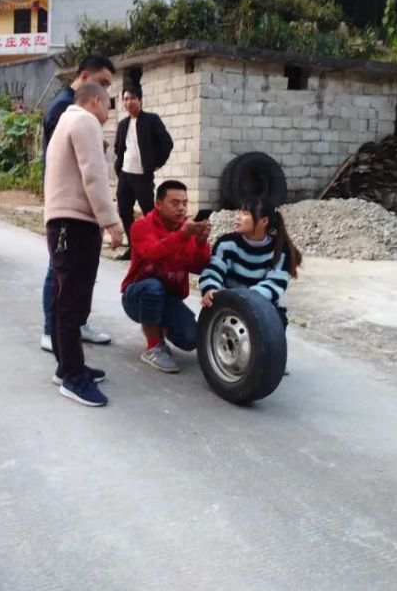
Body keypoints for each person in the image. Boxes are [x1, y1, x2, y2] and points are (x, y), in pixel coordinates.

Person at [45, 81, 124, 406]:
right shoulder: (85, 121)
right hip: (75, 223)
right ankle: (73, 379)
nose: (109, 113)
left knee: (66, 299)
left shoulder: (66, 120)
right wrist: (112, 221)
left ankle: (67, 367)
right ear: (95, 101)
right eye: (109, 104)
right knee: (73, 304)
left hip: (64, 222)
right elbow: (94, 176)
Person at [39, 54, 117, 353]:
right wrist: (109, 221)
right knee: (61, 281)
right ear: (85, 78)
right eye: (104, 84)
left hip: (69, 210)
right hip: (68, 212)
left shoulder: (69, 110)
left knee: (69, 284)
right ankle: (55, 335)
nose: (107, 93)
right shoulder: (70, 112)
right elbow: (89, 173)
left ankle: (69, 335)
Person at [120, 180, 211, 374]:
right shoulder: (141, 226)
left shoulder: (188, 228)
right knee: (153, 287)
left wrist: (202, 242)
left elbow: (199, 267)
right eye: (175, 202)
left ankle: (158, 326)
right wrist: (182, 236)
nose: (181, 208)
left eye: (185, 203)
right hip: (136, 296)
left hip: (169, 298)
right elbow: (153, 253)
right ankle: (154, 346)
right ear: (158, 204)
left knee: (191, 339)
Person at [198, 197, 302, 330]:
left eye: (245, 214)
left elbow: (273, 285)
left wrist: (245, 301)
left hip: (264, 307)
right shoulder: (226, 243)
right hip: (230, 306)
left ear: (263, 221)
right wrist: (210, 288)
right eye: (239, 212)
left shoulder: (280, 250)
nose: (238, 217)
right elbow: (213, 271)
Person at [113, 84, 174, 260]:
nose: (128, 102)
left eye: (132, 98)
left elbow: (167, 144)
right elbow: (119, 148)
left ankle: (157, 246)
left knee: (149, 212)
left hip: (142, 176)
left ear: (140, 100)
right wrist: (120, 166)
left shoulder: (151, 120)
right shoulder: (123, 124)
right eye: (125, 99)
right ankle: (134, 249)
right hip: (125, 175)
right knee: (124, 211)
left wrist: (155, 164)